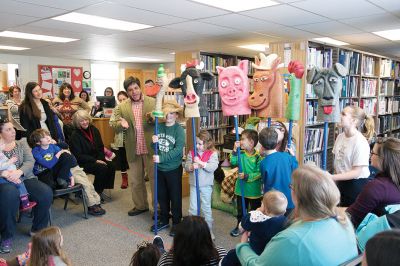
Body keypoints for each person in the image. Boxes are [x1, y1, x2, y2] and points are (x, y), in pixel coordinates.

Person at [236, 165, 358, 266]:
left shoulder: (291, 239)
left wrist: (242, 245)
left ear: (297, 196)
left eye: (291, 187)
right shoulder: (344, 220)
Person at [0, 120, 52, 253]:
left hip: (24, 177)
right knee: (10, 195)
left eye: (13, 128)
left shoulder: (21, 143)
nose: (13, 131)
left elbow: (30, 161)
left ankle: (37, 230)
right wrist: (4, 173)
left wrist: (19, 172)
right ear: (0, 133)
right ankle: (7, 236)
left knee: (45, 193)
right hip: (5, 181)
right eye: (9, 130)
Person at [109, 76, 155, 216]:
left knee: (154, 180)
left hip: (151, 148)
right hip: (132, 148)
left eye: (136, 88)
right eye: (130, 90)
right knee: (136, 181)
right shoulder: (122, 107)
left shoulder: (152, 102)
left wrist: (154, 118)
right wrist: (120, 125)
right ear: (127, 92)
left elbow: (162, 120)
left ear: (140, 87)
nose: (134, 91)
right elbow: (114, 125)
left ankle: (159, 208)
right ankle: (141, 206)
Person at [221, 191, 288, 266]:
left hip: (254, 249)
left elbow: (244, 224)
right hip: (271, 251)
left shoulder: (257, 219)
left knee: (232, 254)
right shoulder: (285, 221)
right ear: (284, 211)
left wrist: (256, 211)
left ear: (264, 209)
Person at [346, 137, 400, 228]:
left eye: (373, 153)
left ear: (383, 159)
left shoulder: (377, 187)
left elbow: (351, 219)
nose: (370, 156)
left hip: (372, 237)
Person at [151, 100, 185, 236]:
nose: (169, 116)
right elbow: (154, 148)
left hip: (173, 169)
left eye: (172, 113)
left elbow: (178, 150)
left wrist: (162, 158)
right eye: (166, 113)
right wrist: (153, 143)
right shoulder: (158, 127)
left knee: (175, 197)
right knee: (162, 196)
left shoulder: (179, 130)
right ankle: (164, 218)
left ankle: (177, 222)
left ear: (177, 115)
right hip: (160, 169)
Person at [332, 106, 374, 206]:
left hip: (355, 186)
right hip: (341, 182)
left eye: (343, 114)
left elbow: (356, 172)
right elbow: (338, 161)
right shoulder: (340, 137)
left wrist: (332, 177)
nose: (339, 116)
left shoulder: (360, 142)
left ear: (354, 120)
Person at [69, 110, 115, 198]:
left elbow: (101, 147)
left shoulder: (94, 129)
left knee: (111, 165)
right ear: (77, 123)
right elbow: (78, 156)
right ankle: (96, 193)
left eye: (86, 119)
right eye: (81, 121)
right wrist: (96, 160)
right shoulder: (74, 135)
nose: (85, 122)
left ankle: (100, 187)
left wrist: (101, 158)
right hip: (84, 162)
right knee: (102, 168)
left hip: (97, 158)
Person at [184, 130, 218, 239]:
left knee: (206, 208)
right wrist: (191, 166)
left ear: (207, 143)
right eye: (196, 143)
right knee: (193, 208)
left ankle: (208, 230)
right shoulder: (192, 152)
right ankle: (192, 229)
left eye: (200, 144)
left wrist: (201, 163)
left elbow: (213, 167)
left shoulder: (212, 154)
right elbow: (186, 166)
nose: (197, 146)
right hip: (194, 185)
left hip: (206, 186)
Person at [229, 129, 262, 237]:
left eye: (243, 139)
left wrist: (246, 176)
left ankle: (252, 229)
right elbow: (233, 162)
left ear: (251, 142)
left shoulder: (258, 157)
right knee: (240, 212)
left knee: (254, 212)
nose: (240, 141)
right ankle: (239, 226)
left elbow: (259, 173)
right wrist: (234, 150)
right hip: (241, 189)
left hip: (254, 191)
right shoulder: (240, 153)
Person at [157, 216, 227, 266]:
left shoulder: (166, 261)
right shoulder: (222, 255)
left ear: (178, 241)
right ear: (207, 238)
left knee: (156, 254)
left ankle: (159, 250)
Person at [258, 127, 298, 213]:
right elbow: (296, 169)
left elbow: (264, 180)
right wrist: (293, 156)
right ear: (277, 142)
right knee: (288, 223)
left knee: (274, 222)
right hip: (289, 199)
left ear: (261, 145)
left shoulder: (263, 163)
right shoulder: (287, 156)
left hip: (273, 202)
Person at [0, 142, 37, 212]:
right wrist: (10, 161)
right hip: (6, 176)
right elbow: (2, 166)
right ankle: (25, 203)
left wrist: (19, 171)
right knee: (18, 184)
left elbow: (30, 161)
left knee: (19, 182)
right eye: (1, 144)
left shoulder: (20, 144)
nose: (3, 145)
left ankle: (24, 203)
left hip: (13, 173)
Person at [111, 91, 129, 189]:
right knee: (122, 159)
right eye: (120, 100)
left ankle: (137, 177)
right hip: (120, 138)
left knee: (133, 159)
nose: (122, 101)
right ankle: (124, 179)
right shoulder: (116, 110)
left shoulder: (132, 108)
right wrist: (120, 124)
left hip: (132, 138)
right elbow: (111, 124)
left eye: (124, 99)